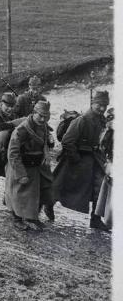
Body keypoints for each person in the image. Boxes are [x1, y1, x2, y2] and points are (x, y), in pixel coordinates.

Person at [53, 90, 111, 230]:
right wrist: (76, 159)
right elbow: (67, 141)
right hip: (77, 159)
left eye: (104, 105)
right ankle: (48, 204)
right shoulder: (81, 120)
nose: (102, 108)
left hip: (95, 159)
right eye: (99, 105)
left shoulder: (102, 120)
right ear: (92, 103)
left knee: (99, 187)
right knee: (59, 186)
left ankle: (95, 219)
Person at [5, 100, 55, 231]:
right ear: (33, 113)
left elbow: (44, 142)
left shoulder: (43, 126)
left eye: (46, 116)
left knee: (35, 193)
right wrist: (20, 174)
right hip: (20, 165)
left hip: (36, 165)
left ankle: (32, 217)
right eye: (40, 115)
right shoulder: (21, 130)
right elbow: (13, 154)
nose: (43, 119)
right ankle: (16, 218)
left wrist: (47, 153)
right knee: (18, 193)